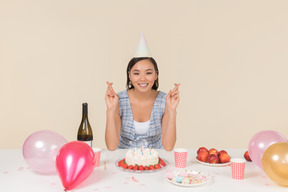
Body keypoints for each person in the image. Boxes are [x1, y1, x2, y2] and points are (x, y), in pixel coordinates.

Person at [105, 33, 180, 151]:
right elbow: (111, 146)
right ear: (129, 76)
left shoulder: (164, 100)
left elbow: (168, 147)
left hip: (155, 162)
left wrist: (171, 110)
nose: (143, 78)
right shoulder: (119, 99)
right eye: (136, 73)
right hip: (123, 161)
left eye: (148, 73)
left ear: (156, 75)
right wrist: (110, 110)